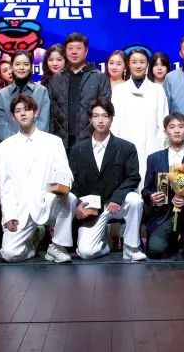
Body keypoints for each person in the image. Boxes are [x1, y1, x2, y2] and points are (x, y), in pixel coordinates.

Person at [0, 95, 76, 263]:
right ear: (13, 117)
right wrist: (9, 214)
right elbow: (5, 186)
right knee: (10, 254)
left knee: (70, 198)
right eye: (18, 111)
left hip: (47, 201)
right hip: (21, 208)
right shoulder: (5, 147)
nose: (23, 113)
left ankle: (57, 246)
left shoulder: (53, 142)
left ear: (35, 112)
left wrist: (63, 185)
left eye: (27, 109)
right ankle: (35, 240)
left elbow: (64, 170)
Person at [69, 99, 146, 261]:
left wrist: (117, 198)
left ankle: (131, 248)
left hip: (117, 203)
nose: (100, 120)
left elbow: (133, 177)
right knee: (86, 253)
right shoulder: (78, 149)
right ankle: (107, 241)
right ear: (90, 119)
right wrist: (77, 202)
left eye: (105, 116)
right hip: (92, 208)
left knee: (135, 200)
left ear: (111, 118)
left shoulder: (126, 147)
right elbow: (72, 180)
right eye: (96, 116)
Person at [142, 112, 184, 259]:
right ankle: (172, 240)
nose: (177, 130)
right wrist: (151, 196)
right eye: (172, 127)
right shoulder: (154, 158)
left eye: (181, 127)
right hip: (163, 214)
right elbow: (146, 190)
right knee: (156, 251)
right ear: (165, 132)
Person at [111, 48, 168, 187]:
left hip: (153, 148)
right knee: (129, 193)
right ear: (128, 64)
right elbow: (114, 124)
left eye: (142, 62)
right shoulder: (119, 91)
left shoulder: (157, 90)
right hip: (125, 149)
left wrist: (161, 149)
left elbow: (163, 123)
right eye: (134, 62)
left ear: (147, 64)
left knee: (157, 191)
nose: (138, 66)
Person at [47, 32, 112, 152]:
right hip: (61, 142)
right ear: (65, 51)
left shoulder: (99, 78)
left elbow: (105, 111)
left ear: (86, 51)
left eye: (78, 48)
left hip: (91, 142)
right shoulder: (57, 78)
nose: (74, 52)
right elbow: (50, 112)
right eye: (70, 48)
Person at [0, 50, 50, 141]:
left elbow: (43, 122)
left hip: (37, 144)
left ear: (31, 68)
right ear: (12, 67)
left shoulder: (41, 91)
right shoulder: (2, 94)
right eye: (17, 64)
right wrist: (17, 142)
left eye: (26, 64)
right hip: (11, 145)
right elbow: (0, 124)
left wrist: (30, 141)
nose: (21, 68)